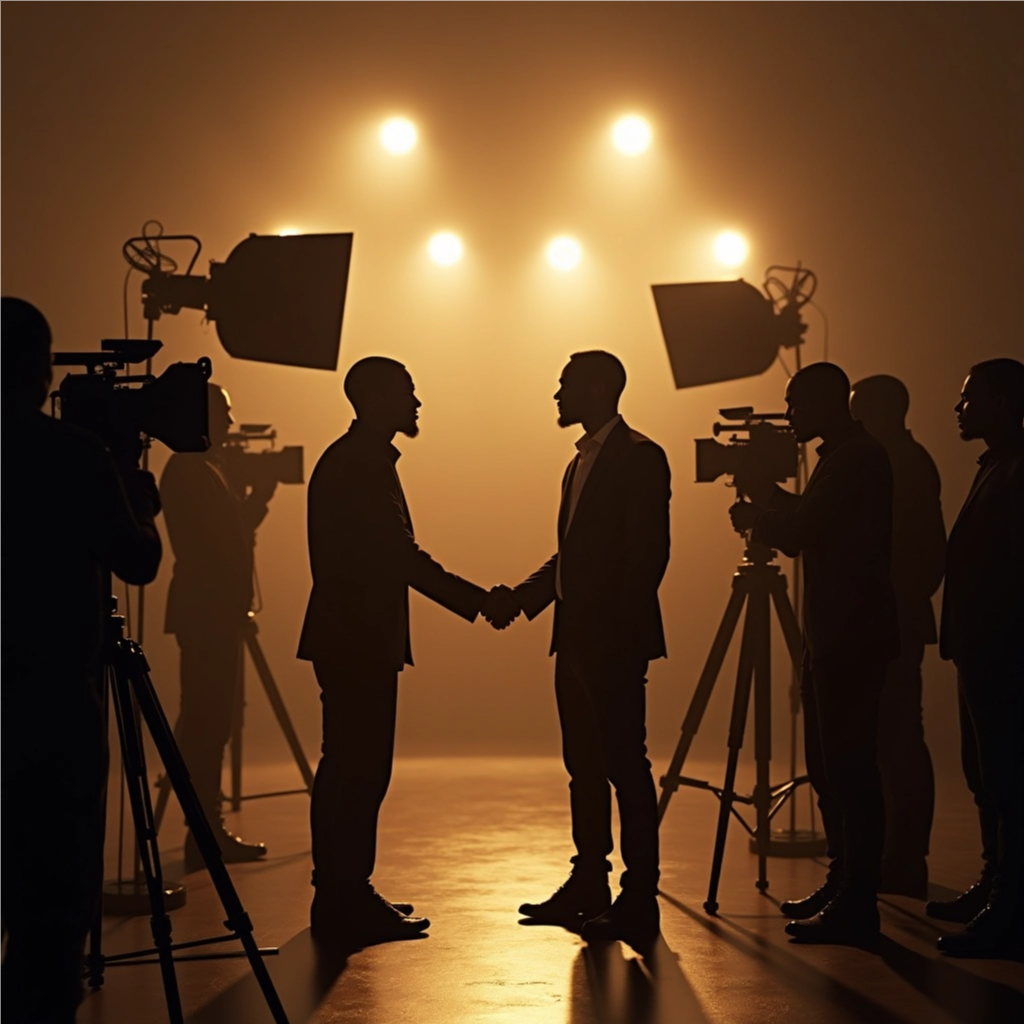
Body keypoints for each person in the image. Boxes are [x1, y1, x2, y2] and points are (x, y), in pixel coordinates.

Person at [297, 356, 509, 945]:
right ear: (372, 398)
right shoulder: (363, 465)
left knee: (345, 767)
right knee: (360, 771)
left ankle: (339, 891)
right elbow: (401, 557)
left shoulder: (354, 460)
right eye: (405, 392)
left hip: (348, 636)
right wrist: (477, 601)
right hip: (358, 639)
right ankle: (346, 897)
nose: (416, 403)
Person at [0, 298, 162, 1023]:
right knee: (51, 910)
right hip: (55, 713)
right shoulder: (73, 456)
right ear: (39, 371)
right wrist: (134, 494)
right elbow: (138, 561)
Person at [498, 350, 671, 950]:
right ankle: (591, 884)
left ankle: (639, 895)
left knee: (624, 764)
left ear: (597, 389)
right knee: (585, 769)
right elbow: (573, 554)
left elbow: (648, 558)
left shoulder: (641, 458)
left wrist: (600, 628)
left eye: (566, 385)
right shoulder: (579, 465)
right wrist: (526, 597)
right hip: (575, 638)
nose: (557, 395)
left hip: (612, 641)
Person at [730, 361, 898, 945]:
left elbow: (801, 532)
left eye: (795, 404)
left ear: (828, 402)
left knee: (850, 769)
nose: (791, 416)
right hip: (833, 633)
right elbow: (809, 522)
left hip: (849, 635)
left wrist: (759, 515)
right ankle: (844, 882)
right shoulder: (845, 457)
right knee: (829, 769)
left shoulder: (856, 459)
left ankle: (858, 900)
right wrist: (766, 499)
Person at [927, 358, 1024, 958]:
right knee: (985, 778)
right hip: (983, 649)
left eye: (969, 399)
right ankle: (995, 885)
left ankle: (1009, 909)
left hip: (1003, 653)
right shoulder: (998, 465)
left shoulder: (1015, 471)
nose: (959, 409)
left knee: (1008, 780)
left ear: (1001, 401)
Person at [160, 383, 273, 871]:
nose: (229, 423)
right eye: (223, 414)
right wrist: (260, 498)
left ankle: (205, 829)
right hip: (208, 612)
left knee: (210, 721)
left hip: (211, 610)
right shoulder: (192, 470)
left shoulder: (201, 468)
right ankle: (204, 832)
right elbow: (220, 540)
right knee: (207, 723)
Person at [851, 375, 945, 898]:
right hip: (892, 619)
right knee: (895, 740)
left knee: (898, 742)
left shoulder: (900, 464)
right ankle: (896, 857)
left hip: (889, 623)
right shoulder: (899, 460)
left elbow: (922, 552)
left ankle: (903, 860)